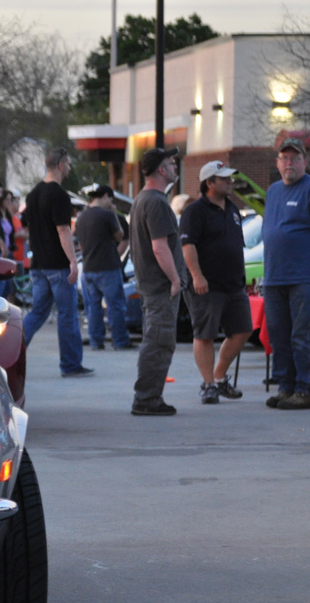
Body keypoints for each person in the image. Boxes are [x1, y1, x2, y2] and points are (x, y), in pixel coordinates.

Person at [261, 137, 310, 410]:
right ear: (277, 162)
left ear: (306, 161)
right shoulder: (273, 192)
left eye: (295, 158)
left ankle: (306, 390)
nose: (289, 162)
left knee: (302, 334)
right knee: (279, 334)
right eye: (284, 158)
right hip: (275, 276)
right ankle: (286, 387)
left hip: (305, 277)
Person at [179, 161, 253, 404]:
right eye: (224, 179)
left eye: (230, 178)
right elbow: (188, 246)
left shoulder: (232, 209)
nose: (230, 182)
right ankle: (208, 383)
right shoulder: (195, 211)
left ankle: (219, 377)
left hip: (234, 284)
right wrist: (197, 276)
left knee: (242, 331)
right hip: (206, 285)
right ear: (209, 183)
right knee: (205, 334)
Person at [23, 147, 93, 378]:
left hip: (38, 265)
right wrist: (73, 261)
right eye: (69, 164)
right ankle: (71, 365)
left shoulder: (32, 195)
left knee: (37, 313)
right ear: (61, 165)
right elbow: (63, 230)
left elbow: (28, 228)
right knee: (67, 315)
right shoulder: (60, 196)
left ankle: (9, 353)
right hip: (57, 266)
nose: (70, 168)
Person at [128, 147, 184, 415]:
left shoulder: (141, 199)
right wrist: (175, 280)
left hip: (150, 285)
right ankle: (147, 400)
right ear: (161, 170)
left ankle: (148, 397)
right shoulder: (157, 202)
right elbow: (159, 247)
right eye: (171, 163)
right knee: (159, 342)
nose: (175, 167)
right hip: (160, 286)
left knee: (156, 340)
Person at [75, 184, 133, 351]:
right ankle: (120, 341)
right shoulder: (107, 215)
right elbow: (120, 235)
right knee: (115, 306)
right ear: (106, 197)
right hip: (107, 266)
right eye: (111, 200)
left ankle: (96, 341)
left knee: (93, 308)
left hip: (87, 268)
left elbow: (80, 243)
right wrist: (114, 214)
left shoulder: (82, 217)